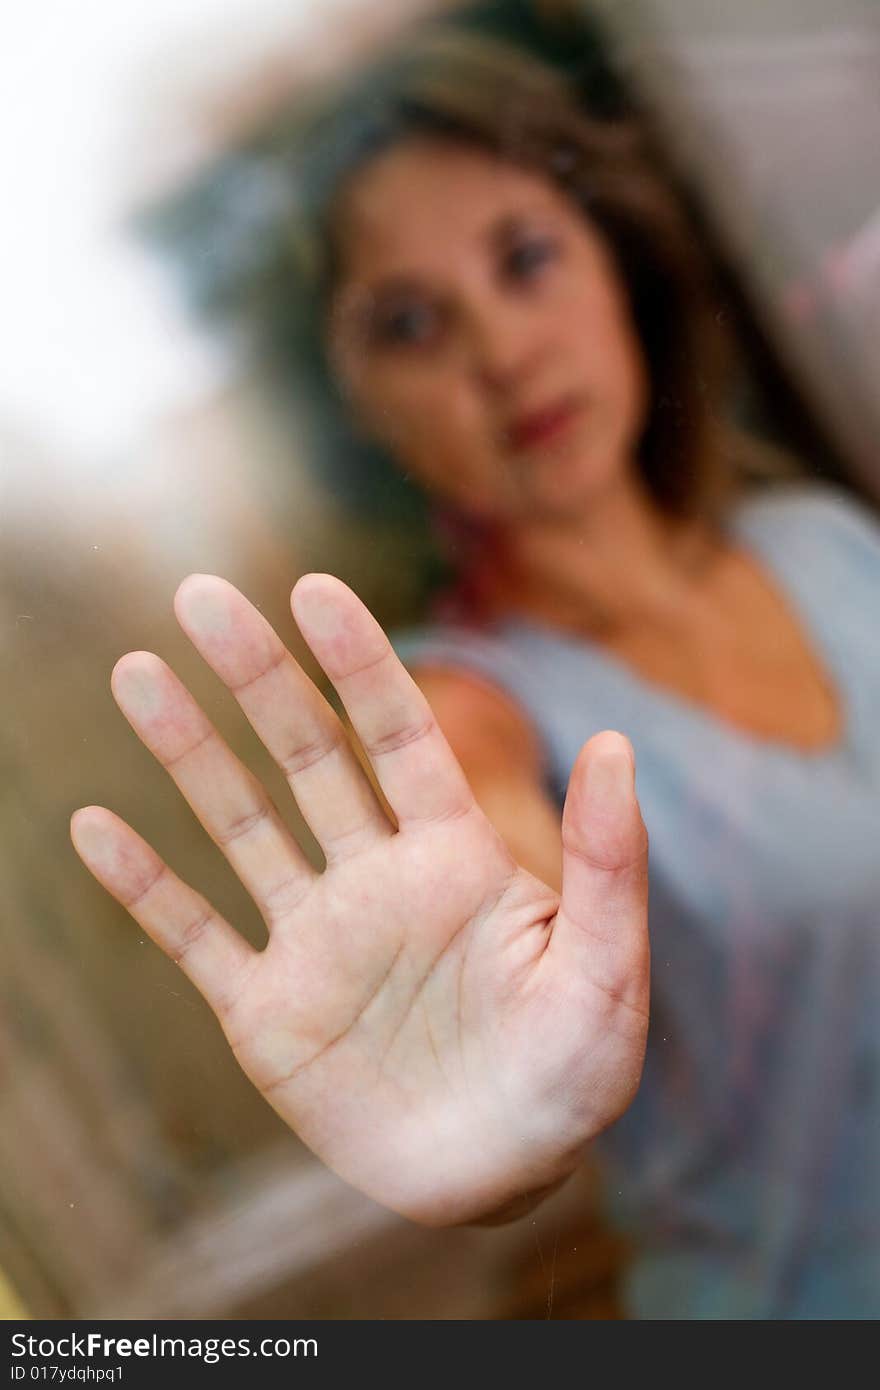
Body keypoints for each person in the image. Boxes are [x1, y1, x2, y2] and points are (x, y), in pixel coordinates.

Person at [70, 32, 880, 1318]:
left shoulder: (828, 547)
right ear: (358, 410)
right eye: (408, 323)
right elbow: (498, 869)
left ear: (613, 260)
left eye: (523, 258)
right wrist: (487, 1089)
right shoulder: (463, 715)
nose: (501, 352)